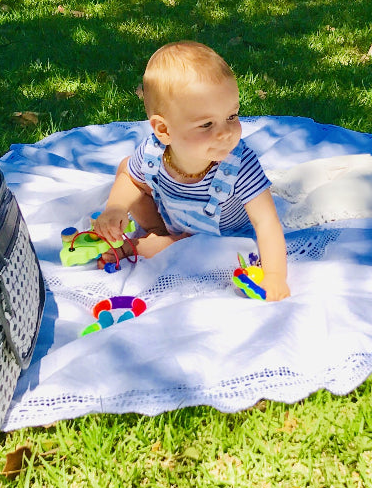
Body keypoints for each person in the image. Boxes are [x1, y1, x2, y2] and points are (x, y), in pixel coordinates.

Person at [92, 41, 291, 301]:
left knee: (186, 247)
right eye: (207, 124)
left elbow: (266, 222)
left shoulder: (240, 165)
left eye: (232, 116)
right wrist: (116, 207)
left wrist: (275, 275)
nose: (225, 133)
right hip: (172, 216)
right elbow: (130, 179)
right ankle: (157, 231)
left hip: (217, 237)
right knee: (128, 172)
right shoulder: (153, 152)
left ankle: (147, 245)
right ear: (164, 131)